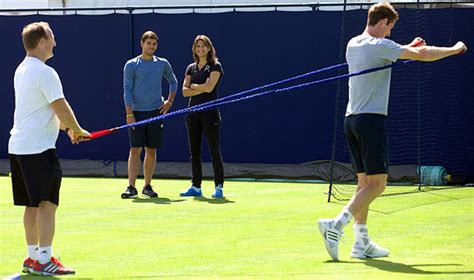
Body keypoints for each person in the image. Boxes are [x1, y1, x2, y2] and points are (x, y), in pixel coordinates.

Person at [318, 2, 467, 261]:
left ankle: (361, 242)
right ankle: (336, 225)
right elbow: (421, 55)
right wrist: (453, 50)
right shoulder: (381, 46)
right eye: (390, 28)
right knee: (378, 185)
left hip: (351, 121)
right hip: (370, 122)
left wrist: (408, 46)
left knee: (364, 184)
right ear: (384, 21)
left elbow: (394, 52)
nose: (390, 34)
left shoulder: (354, 43)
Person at [9, 21, 91, 276]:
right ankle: (44, 260)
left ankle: (33, 258)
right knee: (47, 204)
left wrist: (67, 130)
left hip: (20, 147)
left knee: (32, 205)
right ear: (42, 41)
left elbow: (41, 111)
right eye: (52, 37)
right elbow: (60, 106)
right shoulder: (45, 72)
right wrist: (76, 128)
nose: (55, 41)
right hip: (38, 149)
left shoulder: (22, 69)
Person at [121, 31, 178, 199]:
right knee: (135, 150)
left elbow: (174, 82)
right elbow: (127, 89)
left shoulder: (162, 63)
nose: (151, 46)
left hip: (155, 112)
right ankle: (131, 187)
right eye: (148, 43)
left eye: (154, 44)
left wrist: (169, 102)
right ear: (142, 44)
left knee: (151, 150)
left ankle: (147, 185)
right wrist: (129, 114)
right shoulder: (131, 65)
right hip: (136, 113)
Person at [179, 35, 225, 198]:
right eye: (197, 46)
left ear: (209, 48)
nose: (200, 49)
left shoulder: (215, 66)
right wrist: (200, 87)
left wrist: (194, 86)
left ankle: (219, 186)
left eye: (203, 46)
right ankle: (196, 186)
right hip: (192, 113)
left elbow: (209, 87)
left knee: (214, 149)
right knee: (195, 151)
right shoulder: (191, 67)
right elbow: (184, 92)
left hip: (210, 112)